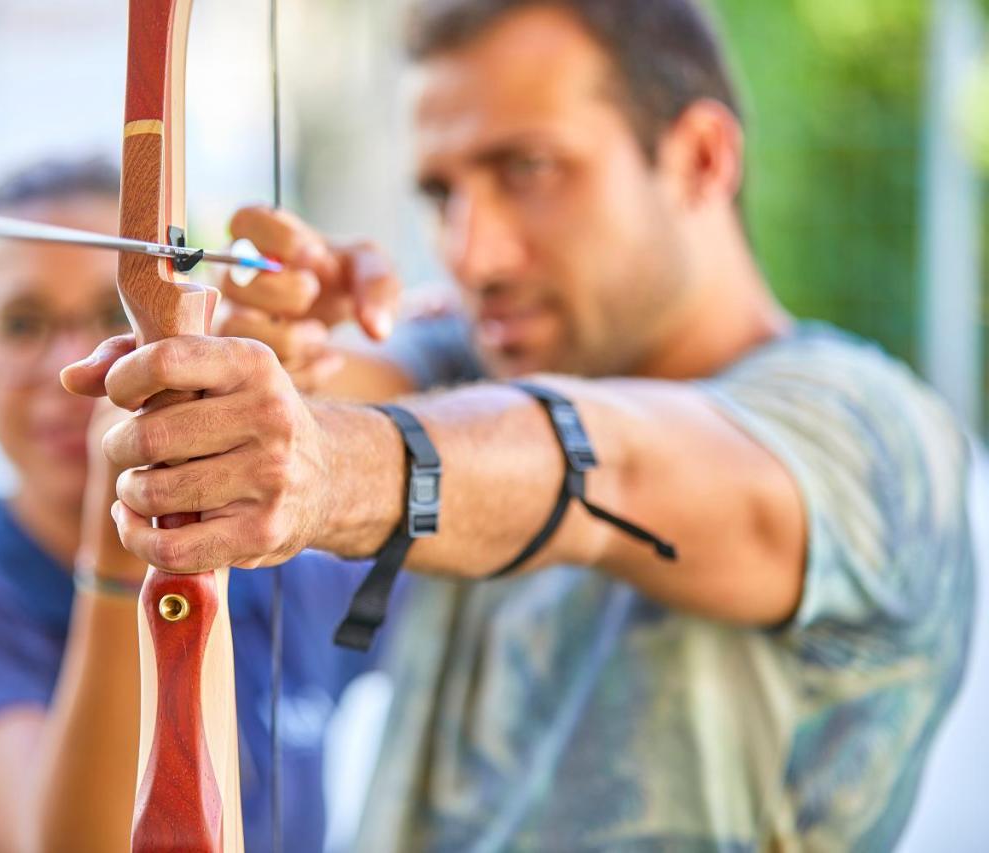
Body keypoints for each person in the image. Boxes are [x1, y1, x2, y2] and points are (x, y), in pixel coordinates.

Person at [62, 1, 979, 849]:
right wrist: (230, 358)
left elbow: (611, 468)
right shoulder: (475, 362)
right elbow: (352, 392)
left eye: (528, 170)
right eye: (441, 194)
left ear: (701, 158)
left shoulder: (872, 430)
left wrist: (330, 465)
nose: (472, 252)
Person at [0, 157, 370, 852]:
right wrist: (138, 521)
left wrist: (365, 333)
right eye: (21, 324)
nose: (76, 367)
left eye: (115, 317)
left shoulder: (280, 562)